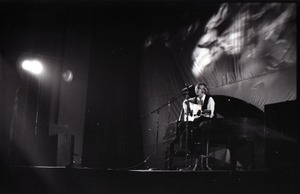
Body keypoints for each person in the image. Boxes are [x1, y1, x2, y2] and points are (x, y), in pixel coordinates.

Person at [180, 83, 215, 170]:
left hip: (206, 121)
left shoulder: (209, 99)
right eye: (196, 89)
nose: (196, 90)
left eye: (198, 89)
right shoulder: (194, 99)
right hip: (196, 121)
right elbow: (185, 102)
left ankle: (202, 153)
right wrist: (188, 111)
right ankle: (190, 150)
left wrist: (202, 112)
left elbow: (211, 114)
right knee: (182, 125)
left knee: (202, 126)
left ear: (203, 90)